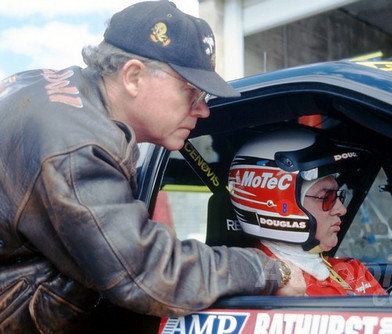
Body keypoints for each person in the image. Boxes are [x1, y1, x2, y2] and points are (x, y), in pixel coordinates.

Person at [0, 2, 304, 333]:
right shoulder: (77, 147)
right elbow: (146, 273)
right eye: (192, 91)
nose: (203, 111)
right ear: (133, 76)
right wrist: (270, 271)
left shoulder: (54, 92)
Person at [228, 128, 392, 296]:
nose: (341, 209)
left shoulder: (349, 271)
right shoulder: (261, 288)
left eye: (339, 196)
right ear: (278, 203)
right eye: (326, 197)